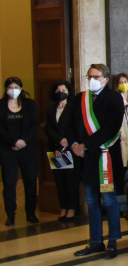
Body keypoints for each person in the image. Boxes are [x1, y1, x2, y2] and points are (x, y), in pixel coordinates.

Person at [72, 64, 126, 258]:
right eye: (89, 76)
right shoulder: (81, 98)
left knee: (109, 200)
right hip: (86, 160)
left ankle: (112, 242)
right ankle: (95, 242)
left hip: (106, 159)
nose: (91, 80)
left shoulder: (114, 98)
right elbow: (71, 123)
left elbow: (111, 128)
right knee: (91, 200)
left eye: (95, 76)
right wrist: (74, 144)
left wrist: (85, 145)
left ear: (105, 78)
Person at [1, 77, 39, 226]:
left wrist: (23, 141)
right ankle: (10, 215)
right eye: (10, 87)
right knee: (9, 183)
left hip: (28, 149)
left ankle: (31, 213)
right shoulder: (1, 105)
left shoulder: (30, 104)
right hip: (7, 149)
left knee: (30, 181)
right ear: (6, 89)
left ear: (21, 89)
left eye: (16, 87)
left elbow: (35, 124)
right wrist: (13, 142)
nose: (13, 89)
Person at [45, 80, 78, 221]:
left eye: (63, 90)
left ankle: (71, 208)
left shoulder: (73, 107)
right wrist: (58, 141)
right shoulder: (51, 109)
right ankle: (63, 207)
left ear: (68, 91)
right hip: (56, 148)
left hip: (69, 148)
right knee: (59, 180)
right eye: (58, 91)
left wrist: (65, 142)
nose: (61, 93)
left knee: (70, 180)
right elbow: (48, 128)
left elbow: (74, 127)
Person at [113, 73, 128, 167]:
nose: (123, 84)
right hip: (123, 134)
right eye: (120, 82)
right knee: (124, 160)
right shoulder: (116, 99)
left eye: (125, 82)